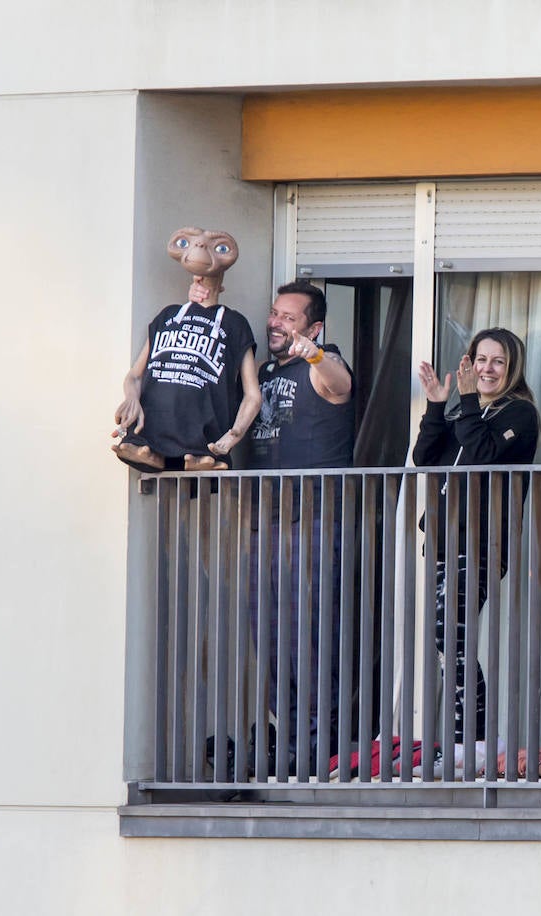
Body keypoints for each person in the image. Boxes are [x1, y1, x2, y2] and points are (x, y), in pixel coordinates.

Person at [243, 280, 356, 767]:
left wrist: (314, 355)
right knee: (266, 640)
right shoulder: (264, 372)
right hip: (263, 521)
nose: (276, 323)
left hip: (311, 519)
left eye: (289, 318)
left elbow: (341, 385)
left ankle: (315, 750)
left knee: (306, 639)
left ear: (314, 327)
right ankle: (288, 744)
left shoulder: (323, 361)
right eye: (274, 313)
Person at [411, 328, 540, 748]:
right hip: (444, 541)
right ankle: (468, 739)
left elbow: (482, 455)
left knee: (451, 635)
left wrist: (466, 403)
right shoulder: (461, 414)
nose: (487, 369)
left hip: (483, 543)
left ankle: (474, 740)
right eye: (481, 359)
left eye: (498, 361)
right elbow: (425, 458)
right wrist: (435, 406)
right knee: (444, 641)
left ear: (512, 368)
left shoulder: (518, 414)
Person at [113, 227, 261, 471]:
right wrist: (131, 398)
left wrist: (233, 436)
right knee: (140, 448)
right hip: (149, 429)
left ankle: (198, 454)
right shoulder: (168, 315)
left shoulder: (234, 324)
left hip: (203, 439)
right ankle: (152, 451)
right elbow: (136, 374)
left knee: (201, 460)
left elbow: (252, 395)